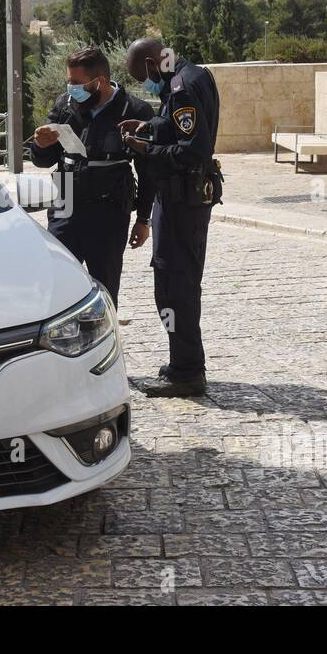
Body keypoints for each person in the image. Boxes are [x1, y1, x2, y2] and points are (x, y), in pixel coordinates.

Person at [119, 37, 222, 397]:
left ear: (152, 62)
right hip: (183, 199)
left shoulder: (179, 88)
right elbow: (183, 130)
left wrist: (146, 149)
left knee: (174, 287)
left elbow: (192, 150)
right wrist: (151, 127)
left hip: (181, 200)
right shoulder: (194, 75)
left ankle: (187, 372)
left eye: (141, 75)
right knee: (178, 284)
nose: (143, 83)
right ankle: (184, 361)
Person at [28, 46, 155, 305]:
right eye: (68, 81)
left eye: (77, 83)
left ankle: (101, 342)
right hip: (65, 207)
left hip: (107, 214)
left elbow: (148, 170)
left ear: (101, 82)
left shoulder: (134, 110)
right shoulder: (64, 105)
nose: (70, 88)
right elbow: (44, 160)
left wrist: (143, 219)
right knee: (59, 287)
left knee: (105, 289)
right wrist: (40, 145)